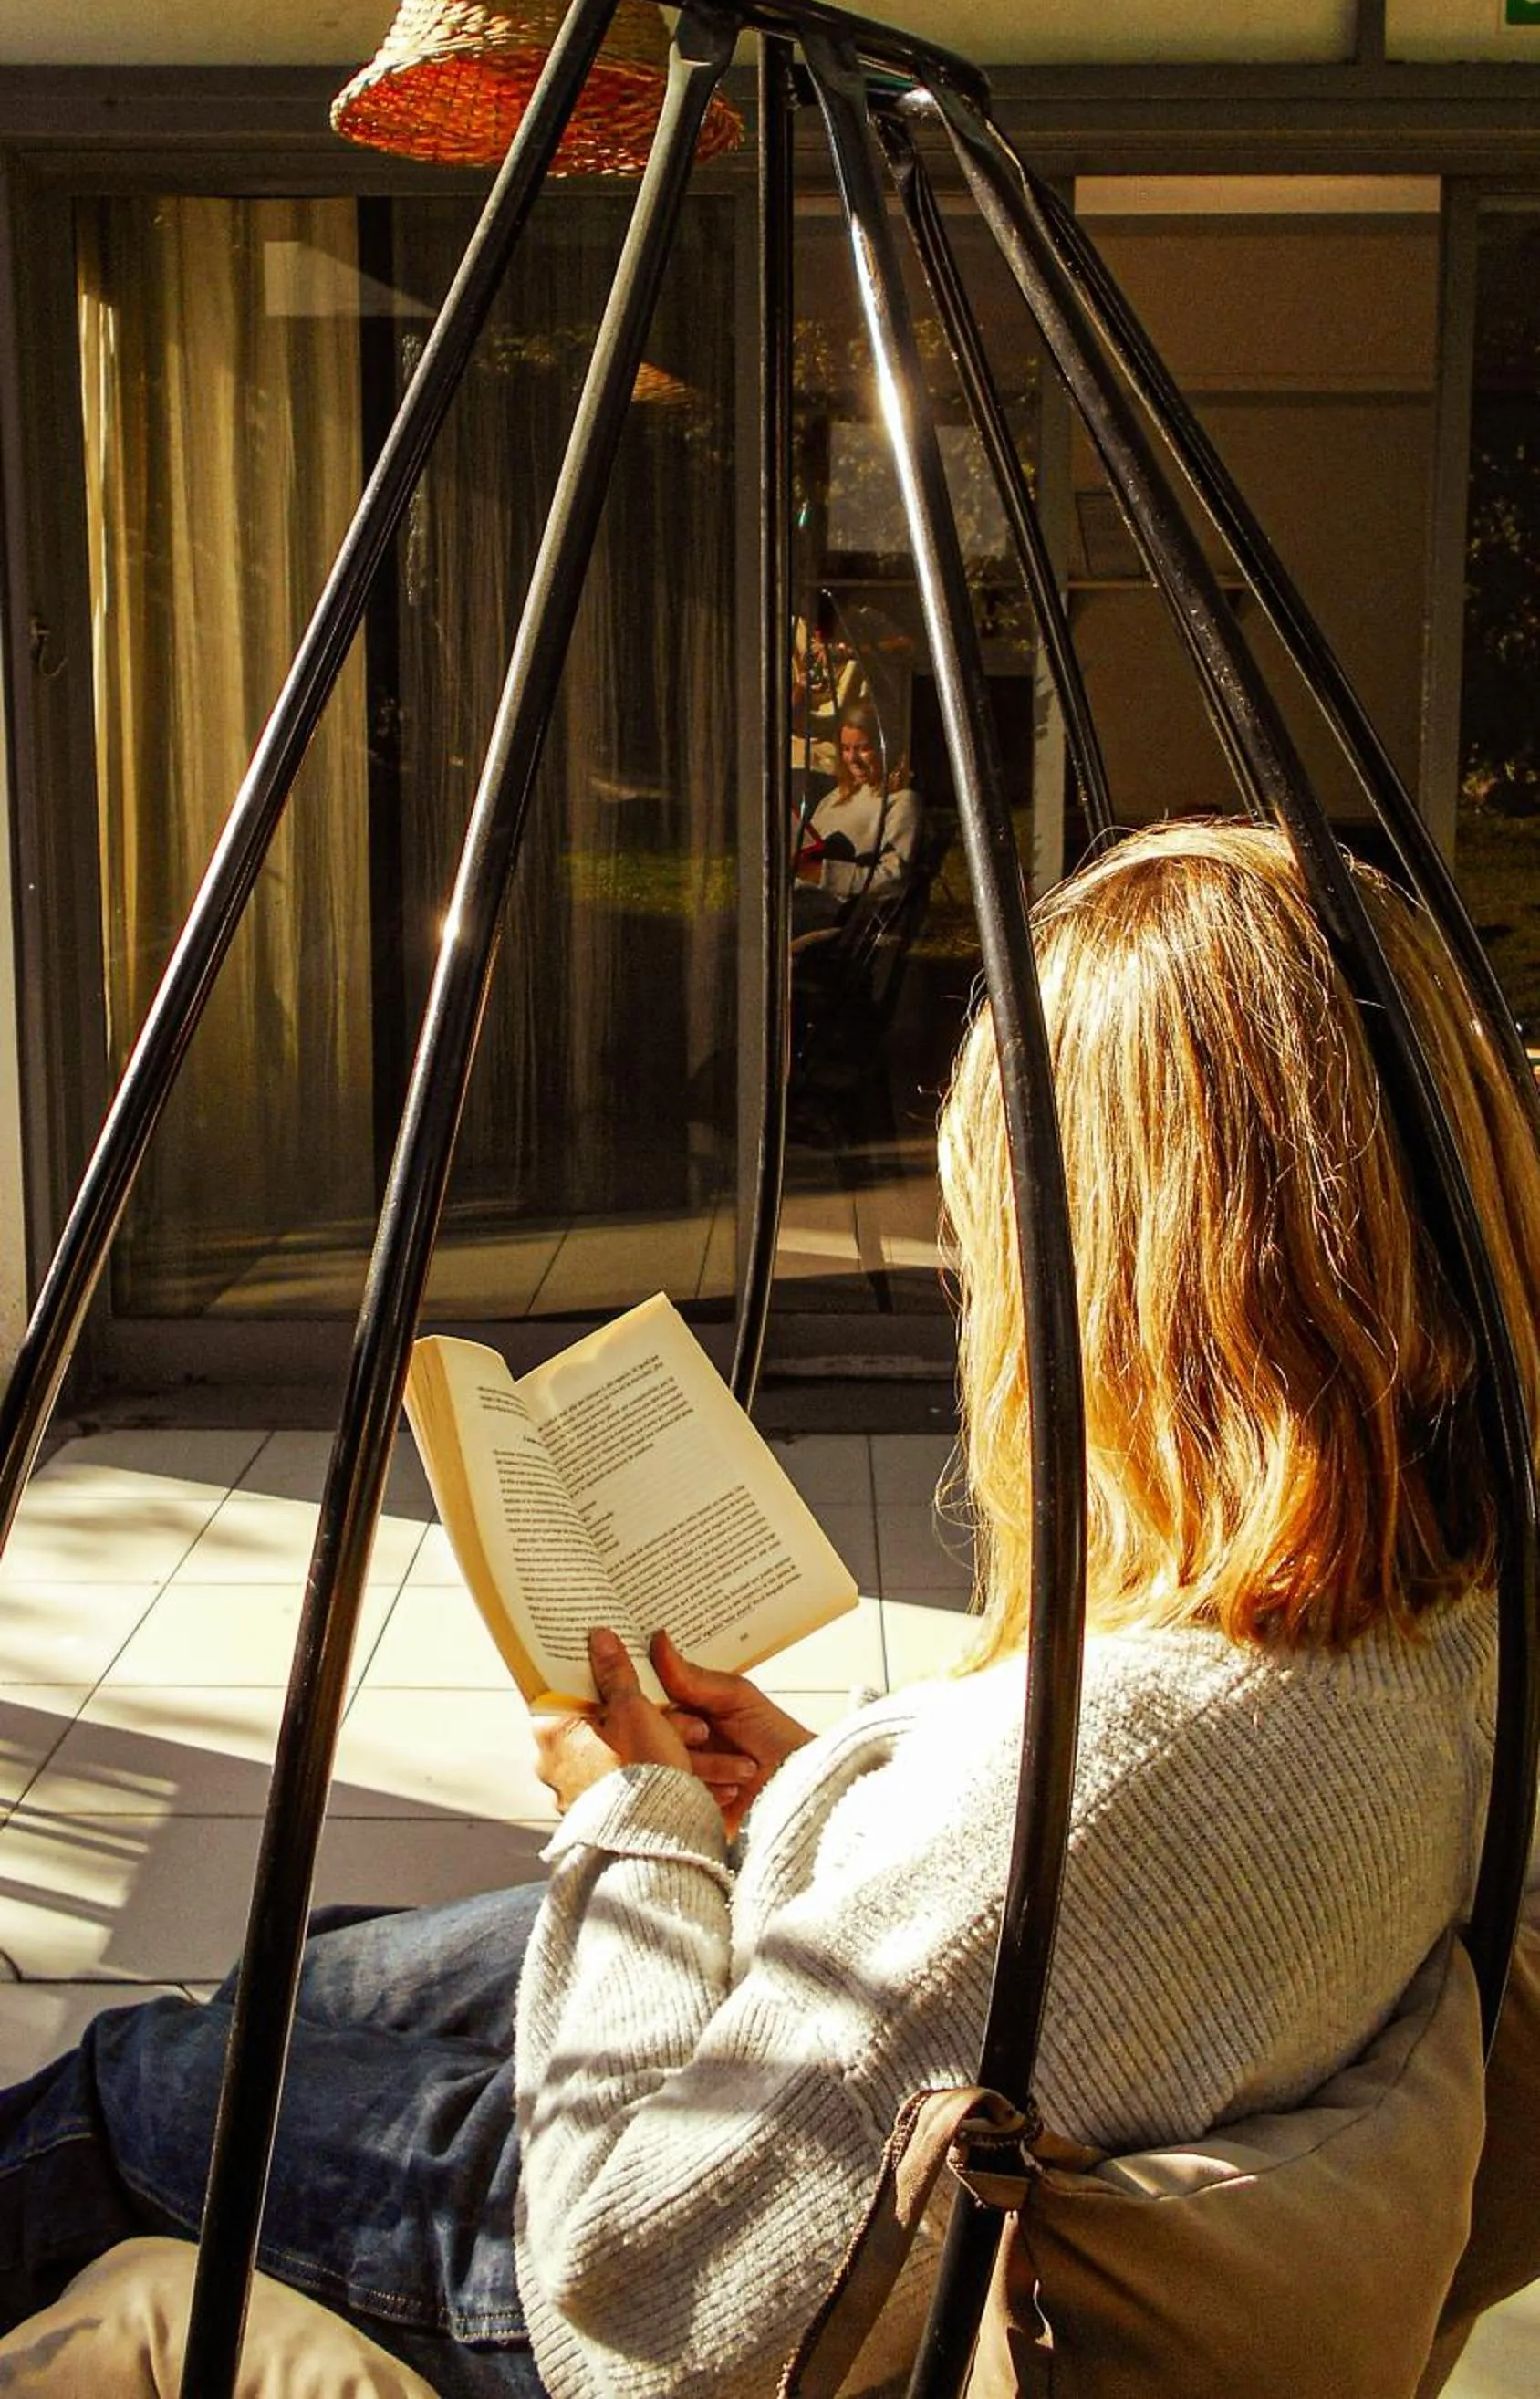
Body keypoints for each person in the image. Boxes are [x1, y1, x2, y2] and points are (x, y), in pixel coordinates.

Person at [0, 819, 1535, 2399]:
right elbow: (1108, 1919)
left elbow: (635, 2319)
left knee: (147, 2082)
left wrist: (640, 1819)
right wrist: (822, 1790)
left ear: (1129, 1285)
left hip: (671, 2287)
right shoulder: (1451, 1625)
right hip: (960, 2096)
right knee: (334, 1980)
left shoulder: (1091, 1776)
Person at [791, 704, 922, 943]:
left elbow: (892, 879)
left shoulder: (901, 802)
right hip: (800, 899)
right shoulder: (836, 798)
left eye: (863, 749)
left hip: (842, 916)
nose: (853, 759)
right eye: (846, 749)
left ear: (886, 748)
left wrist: (821, 874)